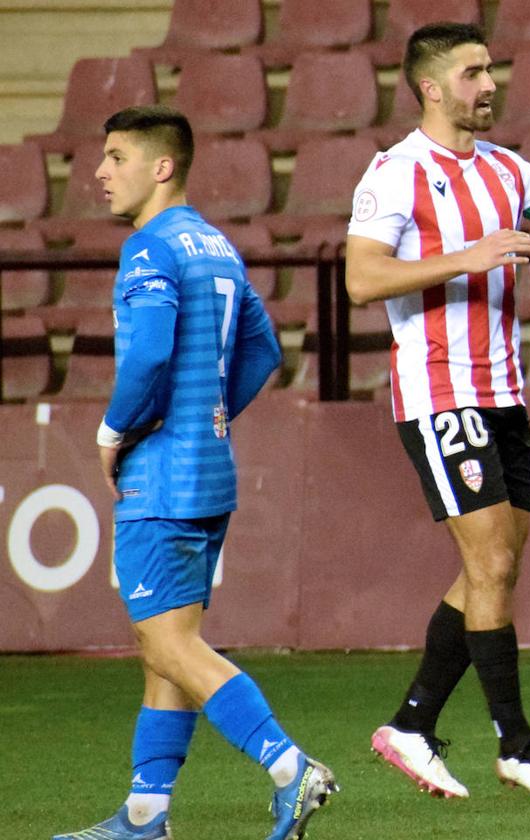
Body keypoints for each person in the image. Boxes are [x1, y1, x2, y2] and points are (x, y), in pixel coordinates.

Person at [344, 22, 530, 800]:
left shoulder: (507, 169)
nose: (490, 83)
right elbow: (360, 278)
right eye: (474, 72)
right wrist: (466, 258)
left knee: (494, 566)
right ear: (431, 87)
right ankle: (516, 745)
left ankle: (411, 726)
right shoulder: (395, 174)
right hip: (441, 392)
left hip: (505, 394)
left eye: (491, 67)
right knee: (492, 564)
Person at [54, 105, 337, 840]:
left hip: (161, 478)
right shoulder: (217, 245)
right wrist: (208, 415)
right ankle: (146, 815)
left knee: (171, 645)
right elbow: (265, 349)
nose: (100, 171)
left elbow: (146, 355)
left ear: (162, 166)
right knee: (166, 647)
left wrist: (114, 431)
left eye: (116, 156)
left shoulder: (149, 249)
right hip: (209, 470)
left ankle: (288, 766)